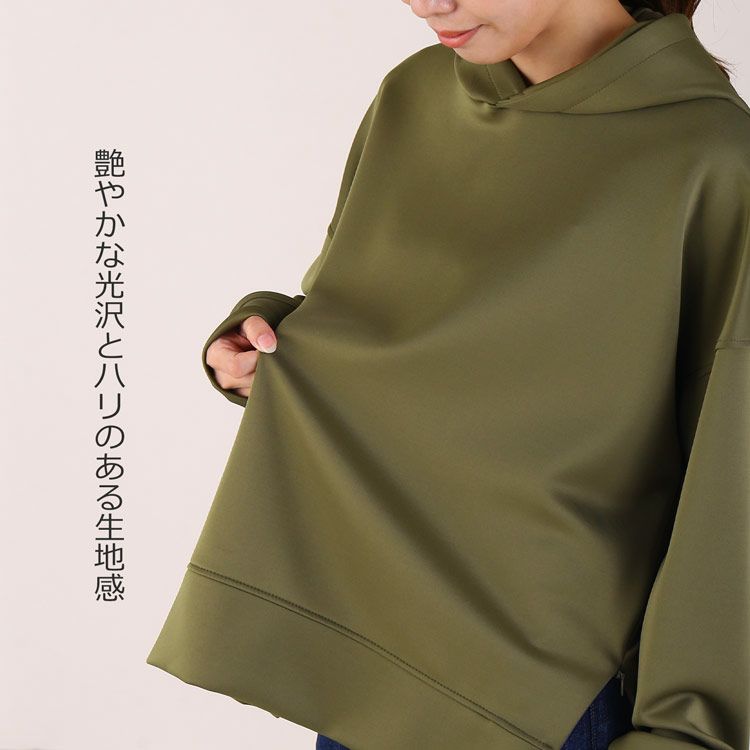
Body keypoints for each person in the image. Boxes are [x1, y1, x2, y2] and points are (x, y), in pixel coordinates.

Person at [146, 1, 750, 749]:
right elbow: (386, 319)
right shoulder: (415, 94)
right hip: (364, 664)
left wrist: (685, 735)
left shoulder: (715, 159)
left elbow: (730, 484)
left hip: (533, 705)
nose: (428, 2)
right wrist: (265, 340)